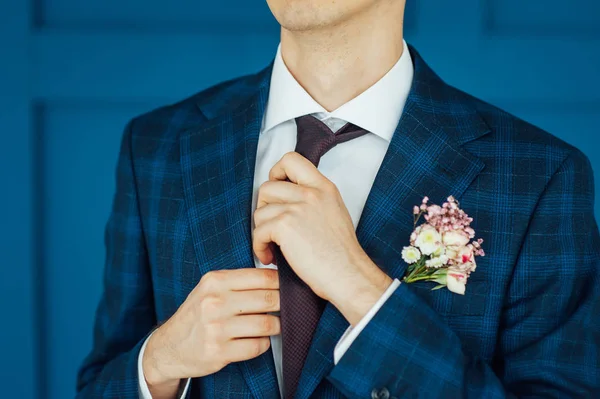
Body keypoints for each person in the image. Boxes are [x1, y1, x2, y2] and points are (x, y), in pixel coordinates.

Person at [76, 0, 600, 398]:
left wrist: (361, 290)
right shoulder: (158, 147)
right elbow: (101, 381)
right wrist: (161, 361)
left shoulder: (540, 176)